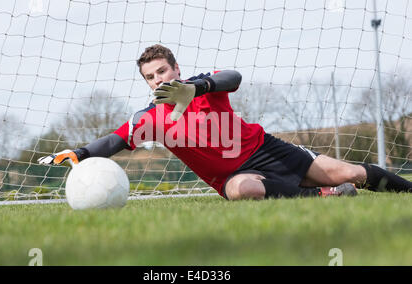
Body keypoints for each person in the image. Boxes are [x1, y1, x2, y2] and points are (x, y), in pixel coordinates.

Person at [38, 44, 412, 200]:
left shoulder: (203, 86)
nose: (159, 80)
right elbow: (115, 141)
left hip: (267, 150)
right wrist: (80, 152)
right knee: (241, 192)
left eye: (163, 71)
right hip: (232, 177)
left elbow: (233, 76)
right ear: (147, 83)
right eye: (151, 77)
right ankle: (323, 198)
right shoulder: (149, 119)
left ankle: (406, 193)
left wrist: (197, 87)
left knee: (352, 173)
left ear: (175, 68)